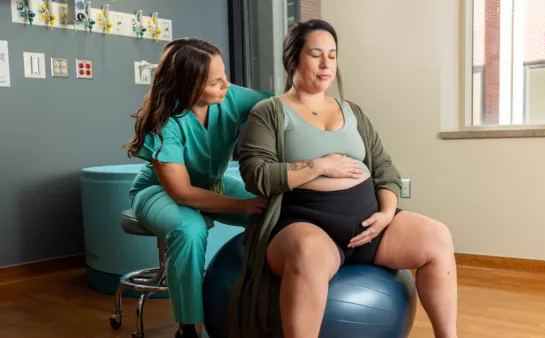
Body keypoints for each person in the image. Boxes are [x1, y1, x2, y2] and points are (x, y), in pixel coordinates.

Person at [230, 19, 458, 338]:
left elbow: (384, 169)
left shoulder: (352, 111)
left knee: (437, 236)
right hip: (305, 223)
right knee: (308, 253)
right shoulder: (268, 112)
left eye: (333, 55)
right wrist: (319, 165)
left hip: (369, 225)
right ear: (293, 59)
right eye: (316, 54)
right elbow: (256, 174)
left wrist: (386, 214)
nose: (326, 64)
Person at [123, 37, 271, 338]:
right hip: (158, 193)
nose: (226, 86)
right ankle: (188, 328)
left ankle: (267, 300)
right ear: (188, 85)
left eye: (225, 76)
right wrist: (242, 205)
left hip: (212, 185)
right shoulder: (164, 122)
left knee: (274, 211)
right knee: (189, 230)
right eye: (216, 82)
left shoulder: (229, 97)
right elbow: (182, 193)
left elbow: (282, 105)